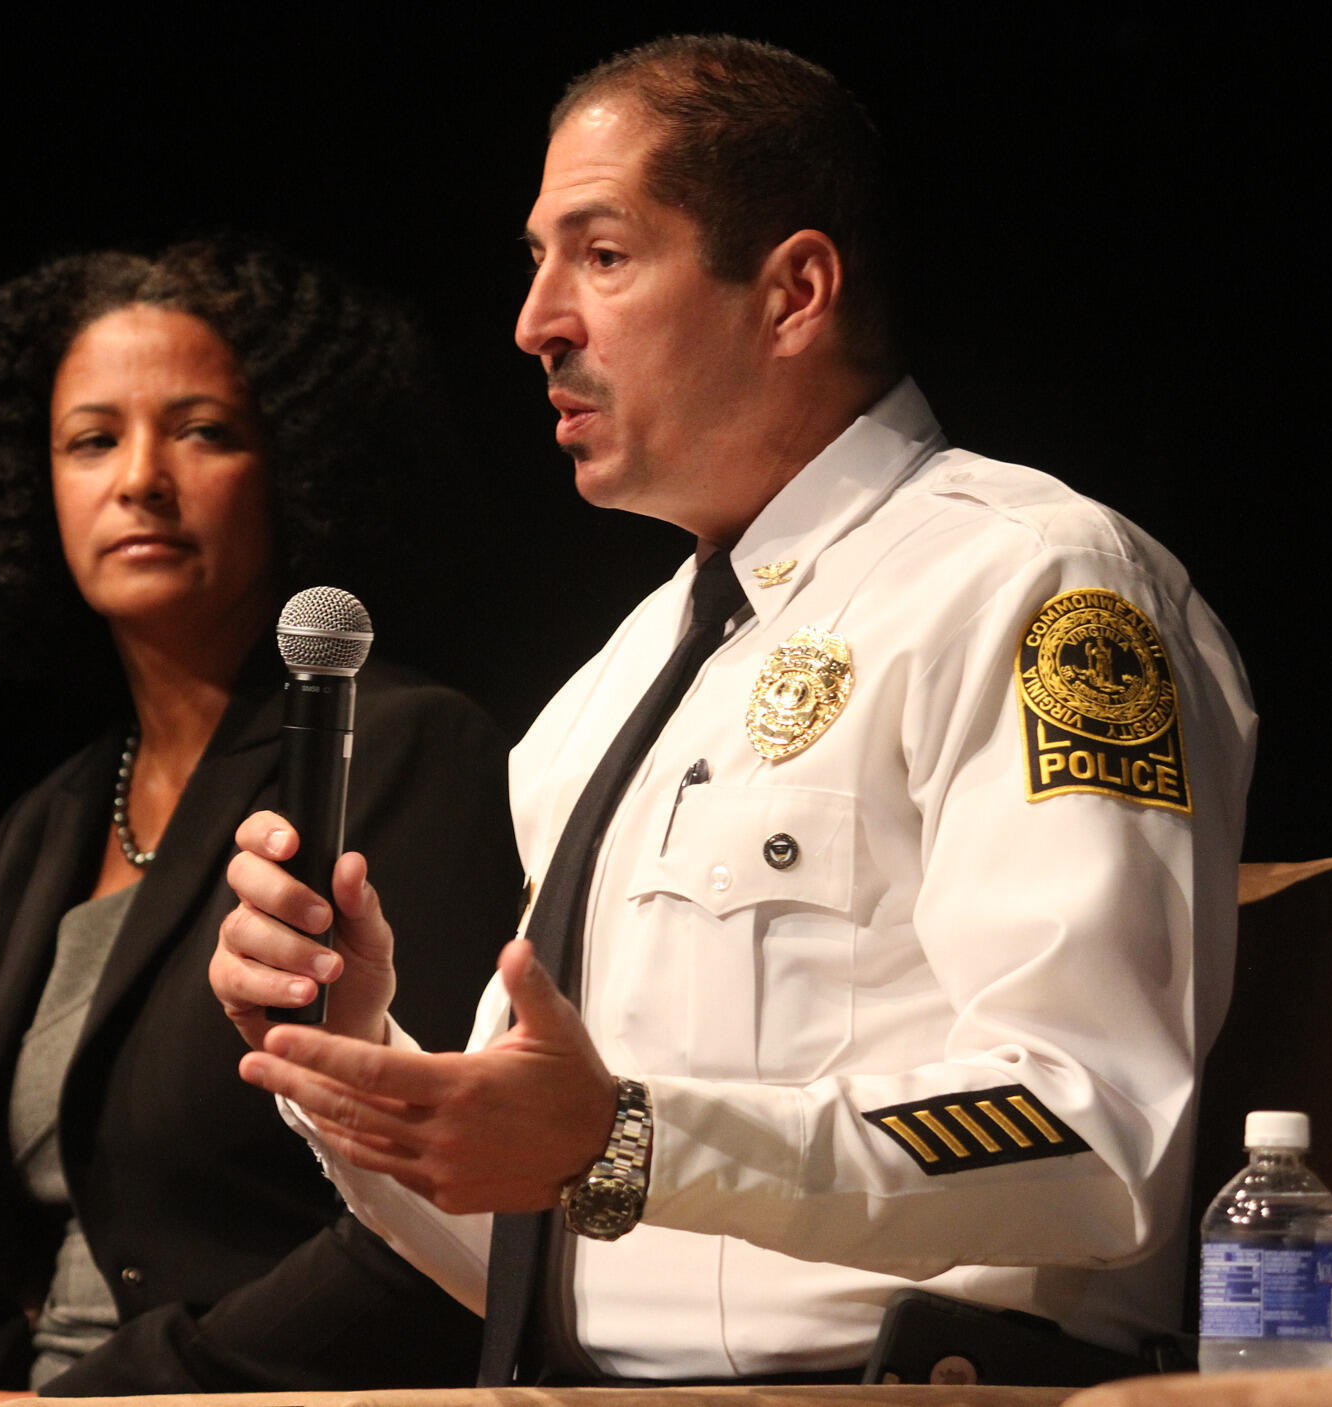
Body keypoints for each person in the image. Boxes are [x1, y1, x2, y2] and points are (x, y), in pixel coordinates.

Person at [212, 36, 1257, 1386]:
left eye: (600, 254)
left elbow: (1087, 1128)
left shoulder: (1036, 585)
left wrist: (626, 1137)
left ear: (793, 292)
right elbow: (525, 1251)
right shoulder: (609, 684)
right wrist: (355, 1058)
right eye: (536, 260)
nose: (536, 322)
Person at [0, 237, 520, 1404]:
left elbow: (443, 1222)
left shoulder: (397, 748)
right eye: (93, 440)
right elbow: (4, 1254)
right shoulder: (46, 824)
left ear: (296, 466)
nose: (139, 477)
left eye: (203, 431)